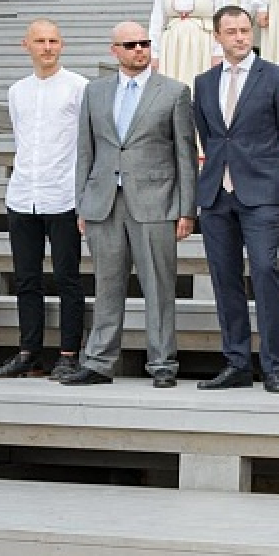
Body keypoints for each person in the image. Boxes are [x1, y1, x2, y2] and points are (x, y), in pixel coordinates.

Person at [63, 22, 197, 387]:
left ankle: (163, 364)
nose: (139, 49)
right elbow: (85, 150)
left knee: (158, 284)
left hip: (156, 202)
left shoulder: (174, 92)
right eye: (131, 44)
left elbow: (185, 154)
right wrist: (81, 204)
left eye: (144, 43)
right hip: (103, 201)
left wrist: (187, 210)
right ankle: (99, 362)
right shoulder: (95, 92)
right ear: (115, 51)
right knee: (106, 283)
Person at [192, 6, 279, 393]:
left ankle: (273, 367)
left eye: (244, 30)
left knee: (264, 271)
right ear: (217, 36)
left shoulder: (276, 77)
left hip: (261, 193)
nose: (240, 37)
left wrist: (276, 182)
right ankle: (237, 363)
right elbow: (210, 137)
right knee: (225, 280)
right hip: (216, 196)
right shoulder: (204, 82)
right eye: (231, 32)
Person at [0, 20, 88, 381]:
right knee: (26, 279)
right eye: (40, 41)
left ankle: (68, 354)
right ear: (25, 45)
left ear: (62, 45)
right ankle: (28, 353)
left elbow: (87, 143)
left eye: (53, 41)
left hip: (62, 194)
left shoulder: (79, 87)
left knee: (67, 278)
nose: (47, 47)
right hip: (22, 195)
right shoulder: (17, 91)